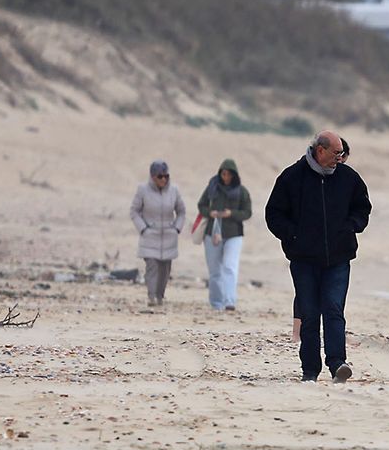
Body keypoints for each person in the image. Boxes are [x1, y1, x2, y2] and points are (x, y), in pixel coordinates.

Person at [264, 131, 372, 382]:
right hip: (303, 260)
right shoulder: (292, 177)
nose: (340, 158)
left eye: (343, 153)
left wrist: (351, 226)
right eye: (336, 153)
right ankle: (310, 371)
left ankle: (338, 364)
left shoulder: (349, 177)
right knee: (310, 315)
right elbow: (274, 214)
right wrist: (292, 236)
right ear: (320, 151)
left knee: (334, 310)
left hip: (339, 258)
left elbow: (363, 207)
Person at [197, 158, 253, 311]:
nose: (226, 177)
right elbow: (201, 205)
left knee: (229, 266)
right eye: (223, 174)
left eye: (229, 174)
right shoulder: (212, 187)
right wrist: (211, 213)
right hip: (212, 233)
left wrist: (231, 213)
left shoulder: (242, 191)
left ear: (234, 175)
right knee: (215, 270)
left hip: (234, 234)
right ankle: (216, 303)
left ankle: (229, 301)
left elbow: (247, 213)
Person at [130, 160, 185, 308]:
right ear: (153, 177)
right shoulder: (143, 190)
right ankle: (151, 296)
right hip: (150, 235)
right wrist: (143, 228)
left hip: (169, 235)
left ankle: (160, 295)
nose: (163, 179)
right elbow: (134, 211)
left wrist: (176, 228)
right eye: (160, 176)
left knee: (165, 269)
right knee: (152, 267)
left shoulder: (174, 190)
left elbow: (181, 211)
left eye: (166, 176)